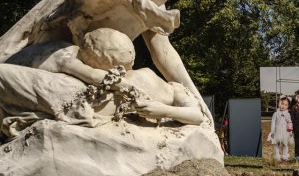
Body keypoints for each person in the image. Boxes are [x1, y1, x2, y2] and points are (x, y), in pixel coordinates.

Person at [0, 28, 206, 138]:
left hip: (74, 99)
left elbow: (197, 116)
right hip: (72, 95)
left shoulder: (169, 87)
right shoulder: (69, 60)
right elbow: (91, 75)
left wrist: (162, 110)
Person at [268, 96, 293, 162]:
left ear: (287, 106)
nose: (283, 106)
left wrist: (290, 132)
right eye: (282, 104)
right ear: (279, 103)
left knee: (285, 144)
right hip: (277, 131)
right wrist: (272, 132)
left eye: (285, 105)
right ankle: (277, 156)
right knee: (276, 144)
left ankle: (285, 156)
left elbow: (289, 122)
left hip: (285, 131)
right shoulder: (275, 114)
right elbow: (273, 123)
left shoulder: (288, 114)